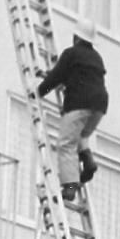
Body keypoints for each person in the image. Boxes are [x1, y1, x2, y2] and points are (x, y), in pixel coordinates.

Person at [35, 21, 108, 203]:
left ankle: (69, 187)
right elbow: (77, 78)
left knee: (65, 143)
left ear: (76, 37)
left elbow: (56, 77)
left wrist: (38, 92)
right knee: (79, 133)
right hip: (99, 106)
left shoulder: (71, 54)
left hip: (80, 104)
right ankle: (87, 160)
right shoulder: (96, 58)